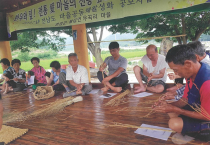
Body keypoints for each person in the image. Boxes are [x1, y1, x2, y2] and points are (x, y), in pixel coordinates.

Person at [154, 44, 210, 141]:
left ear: (188, 64)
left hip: (207, 117)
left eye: (176, 70)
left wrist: (178, 110)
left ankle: (200, 134)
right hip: (199, 108)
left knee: (174, 123)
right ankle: (189, 130)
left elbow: (207, 116)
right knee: (171, 111)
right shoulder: (191, 74)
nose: (176, 74)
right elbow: (185, 99)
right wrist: (167, 106)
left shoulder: (207, 83)